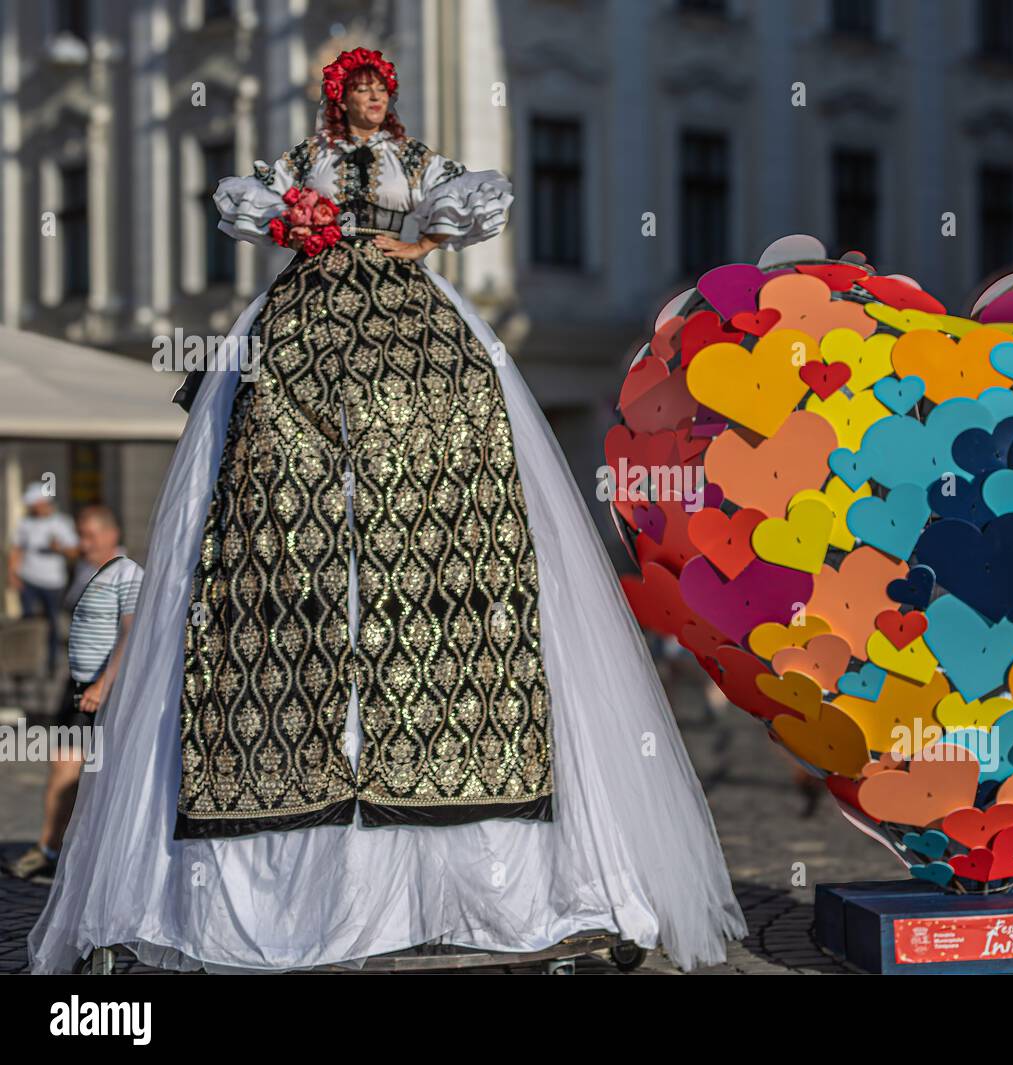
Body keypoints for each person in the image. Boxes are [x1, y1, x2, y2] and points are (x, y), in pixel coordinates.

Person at [28, 47, 744, 973]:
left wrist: (426, 244)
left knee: (461, 425)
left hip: (411, 312)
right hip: (304, 316)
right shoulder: (305, 161)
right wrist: (294, 224)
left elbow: (479, 194)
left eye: (380, 89)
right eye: (358, 90)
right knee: (263, 465)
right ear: (340, 100)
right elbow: (244, 199)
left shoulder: (417, 163)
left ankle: (503, 876)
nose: (371, 100)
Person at [4, 506, 141, 880]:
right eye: (80, 535)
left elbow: (131, 633)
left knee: (100, 773)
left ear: (112, 534)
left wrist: (103, 683)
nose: (83, 543)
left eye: (90, 536)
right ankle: (50, 848)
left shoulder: (126, 573)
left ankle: (89, 853)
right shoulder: (85, 568)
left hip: (106, 687)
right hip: (78, 685)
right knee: (64, 765)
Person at [7, 483, 78, 673]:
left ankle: (51, 663)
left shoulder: (62, 522)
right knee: (28, 621)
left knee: (53, 621)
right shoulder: (25, 523)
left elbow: (74, 552)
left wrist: (59, 548)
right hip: (28, 580)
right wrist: (12, 574)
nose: (32, 508)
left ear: (42, 503)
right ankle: (26, 662)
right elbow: (17, 549)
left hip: (53, 582)